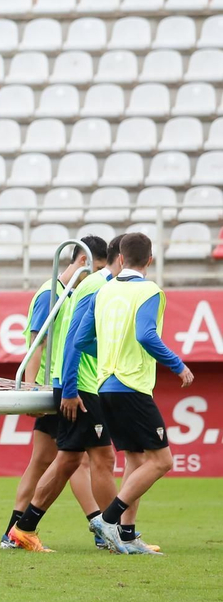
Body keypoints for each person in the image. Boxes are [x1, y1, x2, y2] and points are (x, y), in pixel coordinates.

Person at [59, 232, 192, 555]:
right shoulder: (150, 290)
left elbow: (80, 341)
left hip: (105, 385)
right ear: (149, 259)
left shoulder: (105, 291)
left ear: (120, 258)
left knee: (136, 458)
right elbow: (146, 335)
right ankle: (109, 519)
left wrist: (109, 354)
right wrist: (177, 365)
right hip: (132, 385)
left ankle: (128, 535)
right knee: (162, 461)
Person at [3, 235, 110, 551]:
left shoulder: (72, 293)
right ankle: (101, 526)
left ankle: (14, 532)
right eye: (98, 269)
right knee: (69, 460)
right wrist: (33, 385)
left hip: (60, 384)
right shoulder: (51, 294)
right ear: (81, 262)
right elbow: (38, 340)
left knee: (54, 461)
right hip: (57, 386)